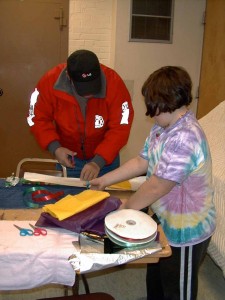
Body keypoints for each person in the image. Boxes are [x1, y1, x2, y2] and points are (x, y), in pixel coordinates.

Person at [90, 66, 216, 300]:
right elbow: (142, 161)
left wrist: (126, 209)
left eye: (152, 106)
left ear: (168, 101)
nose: (150, 114)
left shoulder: (186, 137)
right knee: (156, 280)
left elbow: (158, 185)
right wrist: (105, 180)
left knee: (177, 289)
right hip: (162, 218)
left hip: (185, 231)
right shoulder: (162, 126)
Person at [27, 49, 134, 180]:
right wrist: (55, 148)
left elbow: (121, 126)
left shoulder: (114, 83)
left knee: (108, 199)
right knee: (67, 199)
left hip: (106, 161)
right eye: (82, 87)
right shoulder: (49, 83)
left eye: (93, 85)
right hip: (68, 159)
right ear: (68, 76)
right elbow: (36, 118)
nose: (89, 93)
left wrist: (98, 161)